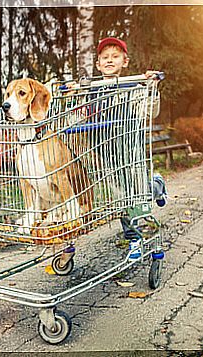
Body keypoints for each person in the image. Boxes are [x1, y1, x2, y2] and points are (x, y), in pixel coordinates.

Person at [67, 37, 167, 240]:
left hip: (132, 152)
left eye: (115, 56)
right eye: (105, 57)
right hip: (106, 154)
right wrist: (72, 95)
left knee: (140, 194)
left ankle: (157, 185)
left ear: (125, 61)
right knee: (121, 197)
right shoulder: (91, 90)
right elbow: (76, 117)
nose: (109, 60)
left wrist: (151, 88)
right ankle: (133, 237)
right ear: (98, 64)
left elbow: (150, 112)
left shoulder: (133, 87)